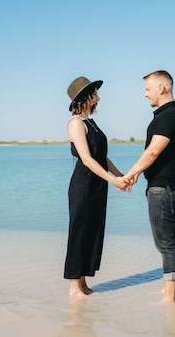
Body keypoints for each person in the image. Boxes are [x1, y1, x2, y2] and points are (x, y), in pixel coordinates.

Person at [123, 70, 175, 302]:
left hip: (165, 188)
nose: (145, 94)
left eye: (147, 89)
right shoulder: (167, 114)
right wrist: (140, 173)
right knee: (163, 240)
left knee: (166, 242)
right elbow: (153, 154)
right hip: (164, 185)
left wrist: (130, 174)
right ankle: (167, 288)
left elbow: (153, 151)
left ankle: (170, 297)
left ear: (161, 88)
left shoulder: (169, 116)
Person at [64, 76, 129, 297]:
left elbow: (101, 157)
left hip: (97, 185)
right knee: (79, 233)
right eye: (95, 94)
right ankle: (74, 287)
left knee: (92, 232)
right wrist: (113, 180)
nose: (99, 98)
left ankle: (83, 282)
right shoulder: (76, 124)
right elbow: (87, 159)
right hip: (83, 185)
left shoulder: (91, 122)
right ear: (86, 97)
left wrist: (121, 175)